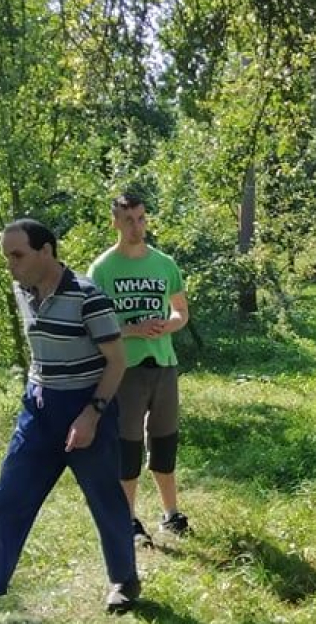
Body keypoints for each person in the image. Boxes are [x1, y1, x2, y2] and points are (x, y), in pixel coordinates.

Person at [0, 220, 140, 624]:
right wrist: (36, 390)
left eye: (16, 255)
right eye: (6, 255)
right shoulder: (22, 290)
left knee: (105, 499)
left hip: (86, 408)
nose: (10, 264)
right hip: (39, 412)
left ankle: (124, 580)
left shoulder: (88, 297)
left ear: (47, 251)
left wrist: (91, 414)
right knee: (7, 499)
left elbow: (117, 362)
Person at [88, 193, 191, 546]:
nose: (136, 226)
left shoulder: (164, 264)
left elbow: (181, 312)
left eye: (141, 218)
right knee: (127, 447)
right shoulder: (102, 269)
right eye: (128, 220)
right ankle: (128, 520)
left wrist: (166, 324)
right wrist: (132, 329)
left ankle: (171, 514)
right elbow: (93, 324)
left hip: (163, 365)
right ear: (115, 222)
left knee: (165, 442)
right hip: (124, 369)